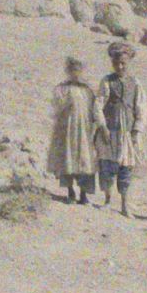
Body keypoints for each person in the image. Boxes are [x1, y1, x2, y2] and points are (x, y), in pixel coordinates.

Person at [96, 41, 147, 217]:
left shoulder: (136, 83)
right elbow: (98, 104)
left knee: (126, 168)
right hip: (110, 131)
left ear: (129, 63)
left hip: (127, 132)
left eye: (123, 63)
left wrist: (137, 131)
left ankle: (125, 204)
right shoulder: (107, 81)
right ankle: (108, 200)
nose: (120, 66)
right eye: (116, 63)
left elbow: (141, 108)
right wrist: (102, 126)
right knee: (108, 165)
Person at [46, 55, 100, 204]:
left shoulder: (88, 90)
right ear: (68, 71)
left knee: (85, 160)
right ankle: (70, 192)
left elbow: (95, 109)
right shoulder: (62, 89)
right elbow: (56, 108)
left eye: (79, 70)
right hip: (67, 129)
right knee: (68, 158)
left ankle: (84, 194)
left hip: (85, 129)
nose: (76, 73)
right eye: (73, 70)